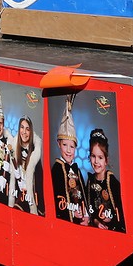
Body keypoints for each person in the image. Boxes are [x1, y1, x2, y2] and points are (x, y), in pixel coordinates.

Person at [50, 96, 88, 225]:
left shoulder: (77, 169)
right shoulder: (56, 170)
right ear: (59, 144)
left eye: (71, 147)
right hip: (65, 221)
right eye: (65, 145)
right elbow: (56, 198)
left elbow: (83, 196)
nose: (68, 150)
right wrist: (71, 212)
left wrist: (86, 215)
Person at [85, 128, 125, 232]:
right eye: (93, 156)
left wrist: (111, 221)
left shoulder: (113, 183)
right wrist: (96, 222)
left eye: (100, 157)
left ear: (106, 160)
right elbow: (90, 209)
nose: (96, 161)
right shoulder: (90, 181)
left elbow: (122, 213)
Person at [11, 114, 44, 215]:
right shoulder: (14, 149)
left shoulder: (35, 154)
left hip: (31, 196)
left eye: (27, 129)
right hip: (18, 194)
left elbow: (39, 182)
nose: (24, 132)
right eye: (22, 127)